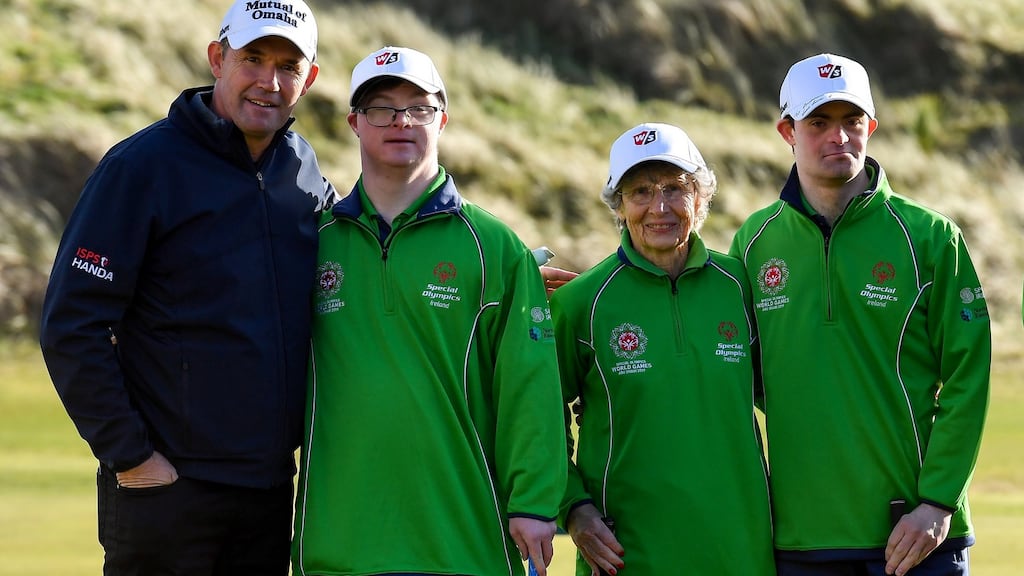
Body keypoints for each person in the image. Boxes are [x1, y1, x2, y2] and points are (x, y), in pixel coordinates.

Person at [38, 1, 333, 573]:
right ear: (217, 58)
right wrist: (132, 457)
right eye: (253, 58)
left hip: (270, 490)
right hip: (167, 491)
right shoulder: (142, 167)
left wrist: (493, 274)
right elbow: (71, 325)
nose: (269, 82)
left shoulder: (302, 171)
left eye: (288, 66)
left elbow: (357, 262)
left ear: (310, 79)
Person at [291, 46, 567, 576]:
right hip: (337, 544)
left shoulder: (495, 247)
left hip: (465, 544)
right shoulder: (315, 242)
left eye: (418, 107)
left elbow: (530, 389)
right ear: (353, 122)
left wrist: (534, 503)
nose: (400, 121)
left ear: (442, 118)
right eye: (380, 108)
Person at [730, 53, 990, 576]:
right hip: (803, 538)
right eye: (819, 123)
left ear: (871, 126)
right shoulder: (753, 244)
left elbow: (969, 378)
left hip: (916, 537)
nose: (839, 138)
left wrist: (938, 501)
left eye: (852, 122)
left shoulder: (932, 238)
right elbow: (744, 373)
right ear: (788, 131)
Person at [550, 122, 776, 575]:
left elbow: (794, 401)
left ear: (701, 195)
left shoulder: (741, 288)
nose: (660, 207)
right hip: (627, 557)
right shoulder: (581, 303)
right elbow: (536, 420)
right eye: (640, 192)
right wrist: (574, 508)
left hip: (743, 553)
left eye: (675, 188)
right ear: (618, 205)